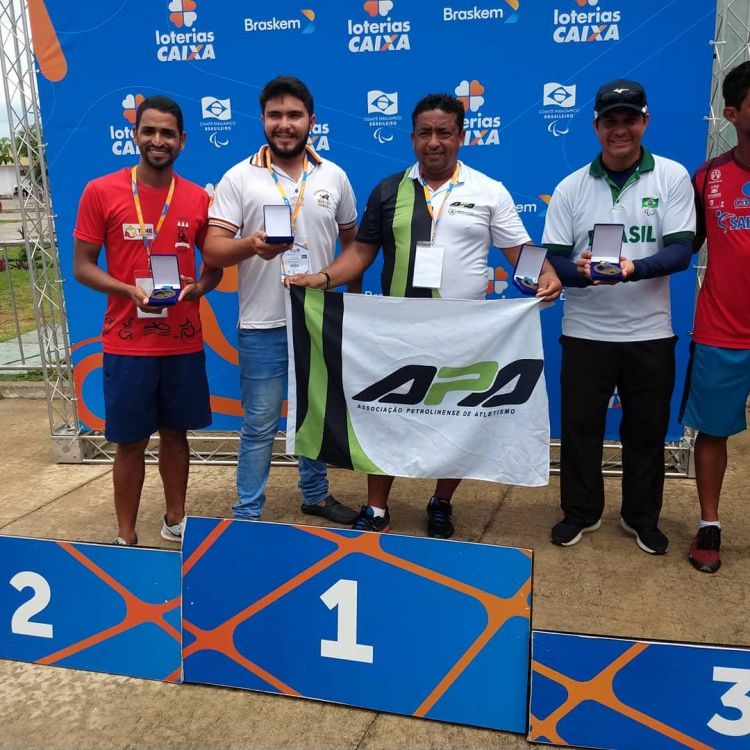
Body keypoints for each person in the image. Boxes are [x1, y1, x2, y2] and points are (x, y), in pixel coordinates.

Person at [286, 92, 561, 537]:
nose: (434, 142)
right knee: (386, 414)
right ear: (413, 138)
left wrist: (545, 274)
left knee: (456, 418)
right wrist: (322, 277)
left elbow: (520, 251)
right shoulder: (388, 190)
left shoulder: (489, 191)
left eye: (444, 133)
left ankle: (441, 502)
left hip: (465, 334)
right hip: (398, 332)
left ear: (461, 137)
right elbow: (361, 252)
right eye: (425, 133)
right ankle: (377, 507)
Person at [543, 80, 696, 554]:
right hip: (585, 332)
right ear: (596, 126)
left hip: (650, 332)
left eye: (630, 119)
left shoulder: (671, 176)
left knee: (646, 432)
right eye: (611, 121)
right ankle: (580, 512)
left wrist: (633, 269)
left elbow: (681, 251)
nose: (620, 129)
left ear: (645, 121)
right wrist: (582, 271)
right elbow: (554, 260)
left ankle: (640, 518)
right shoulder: (571, 186)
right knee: (580, 430)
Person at [201, 76, 359, 525]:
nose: (284, 124)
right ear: (262, 120)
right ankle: (247, 513)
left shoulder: (333, 176)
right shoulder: (239, 177)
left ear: (312, 120)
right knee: (260, 424)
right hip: (262, 324)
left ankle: (315, 495)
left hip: (317, 318)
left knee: (314, 415)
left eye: (294, 115)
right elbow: (212, 250)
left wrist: (342, 296)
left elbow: (355, 246)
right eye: (275, 115)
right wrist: (251, 246)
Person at [73, 95, 222, 546]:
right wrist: (127, 290)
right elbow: (82, 266)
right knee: (131, 442)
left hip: (182, 341)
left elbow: (214, 266)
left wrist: (200, 286)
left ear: (183, 140)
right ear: (135, 134)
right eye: (149, 131)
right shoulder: (101, 191)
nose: (158, 140)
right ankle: (126, 536)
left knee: (176, 436)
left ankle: (176, 520)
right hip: (127, 343)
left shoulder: (198, 198)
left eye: (167, 133)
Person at [681, 61, 750, 573]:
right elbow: (682, 245)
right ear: (732, 114)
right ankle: (710, 524)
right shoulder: (708, 177)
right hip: (722, 331)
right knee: (713, 432)